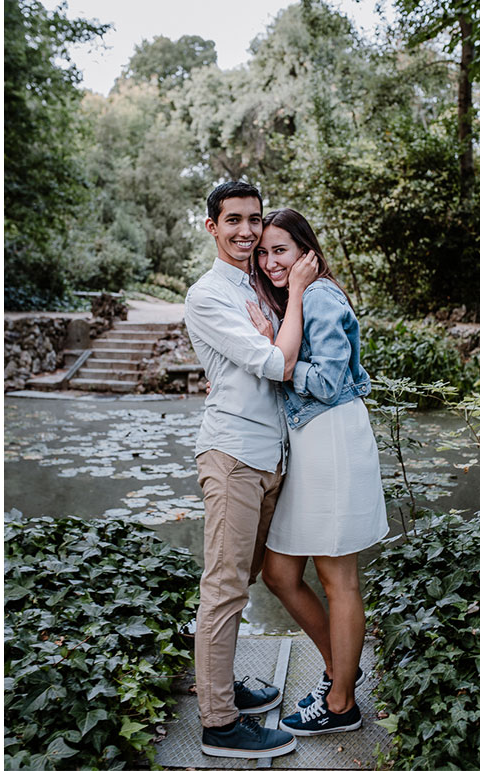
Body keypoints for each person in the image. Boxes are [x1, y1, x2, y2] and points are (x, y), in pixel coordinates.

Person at [184, 181, 319, 760]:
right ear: (211, 225)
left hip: (269, 457)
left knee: (242, 581)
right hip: (233, 456)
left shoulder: (256, 285)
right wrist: (298, 298)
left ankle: (224, 685)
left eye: (254, 220)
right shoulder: (208, 295)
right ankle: (218, 723)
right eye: (233, 220)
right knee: (224, 587)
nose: (246, 231)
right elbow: (274, 362)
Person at [247, 208, 388, 736]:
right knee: (281, 573)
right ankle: (339, 673)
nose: (269, 261)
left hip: (333, 443)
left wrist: (274, 357)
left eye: (279, 250)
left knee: (337, 577)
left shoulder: (321, 296)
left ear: (307, 252)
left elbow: (327, 382)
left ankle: (341, 704)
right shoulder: (294, 301)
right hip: (308, 446)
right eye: (263, 252)